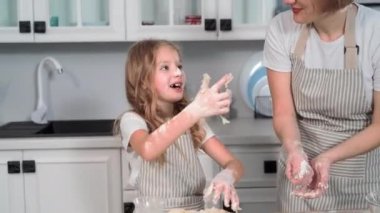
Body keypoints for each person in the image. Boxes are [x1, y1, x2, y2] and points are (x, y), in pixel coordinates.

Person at [263, 0, 380, 212]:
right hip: (299, 181)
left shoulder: (375, 31)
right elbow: (283, 112)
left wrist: (327, 158)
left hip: (361, 186)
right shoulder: (281, 28)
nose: (287, 1)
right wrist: (294, 150)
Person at [115, 39, 244, 212]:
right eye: (165, 67)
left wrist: (227, 175)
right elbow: (148, 148)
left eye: (179, 66)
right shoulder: (132, 120)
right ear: (143, 80)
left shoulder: (193, 120)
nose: (178, 72)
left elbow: (233, 162)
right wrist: (194, 111)